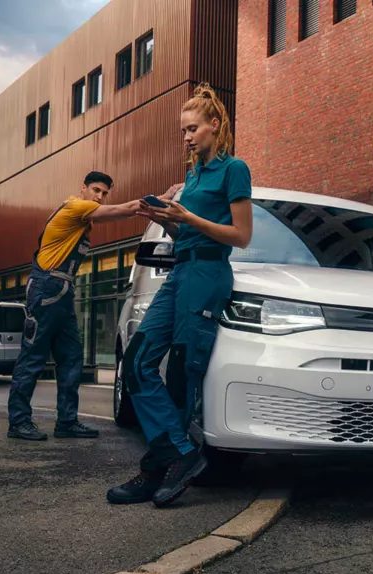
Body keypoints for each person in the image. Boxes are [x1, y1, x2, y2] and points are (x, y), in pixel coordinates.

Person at [107, 84, 253, 507]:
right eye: (183, 131)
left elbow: (242, 235)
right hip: (180, 270)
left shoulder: (234, 169)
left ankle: (157, 468)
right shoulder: (191, 177)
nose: (186, 137)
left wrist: (187, 215)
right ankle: (181, 454)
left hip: (208, 273)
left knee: (182, 374)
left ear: (215, 125)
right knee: (137, 362)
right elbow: (183, 232)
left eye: (193, 128)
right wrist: (166, 219)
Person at [7, 172, 177, 441]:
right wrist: (163, 198)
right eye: (96, 190)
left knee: (72, 357)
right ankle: (18, 422)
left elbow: (117, 211)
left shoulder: (84, 217)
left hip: (61, 290)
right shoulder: (76, 207)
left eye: (104, 193)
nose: (99, 197)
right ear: (83, 189)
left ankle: (67, 422)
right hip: (46, 287)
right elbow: (121, 210)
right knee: (33, 357)